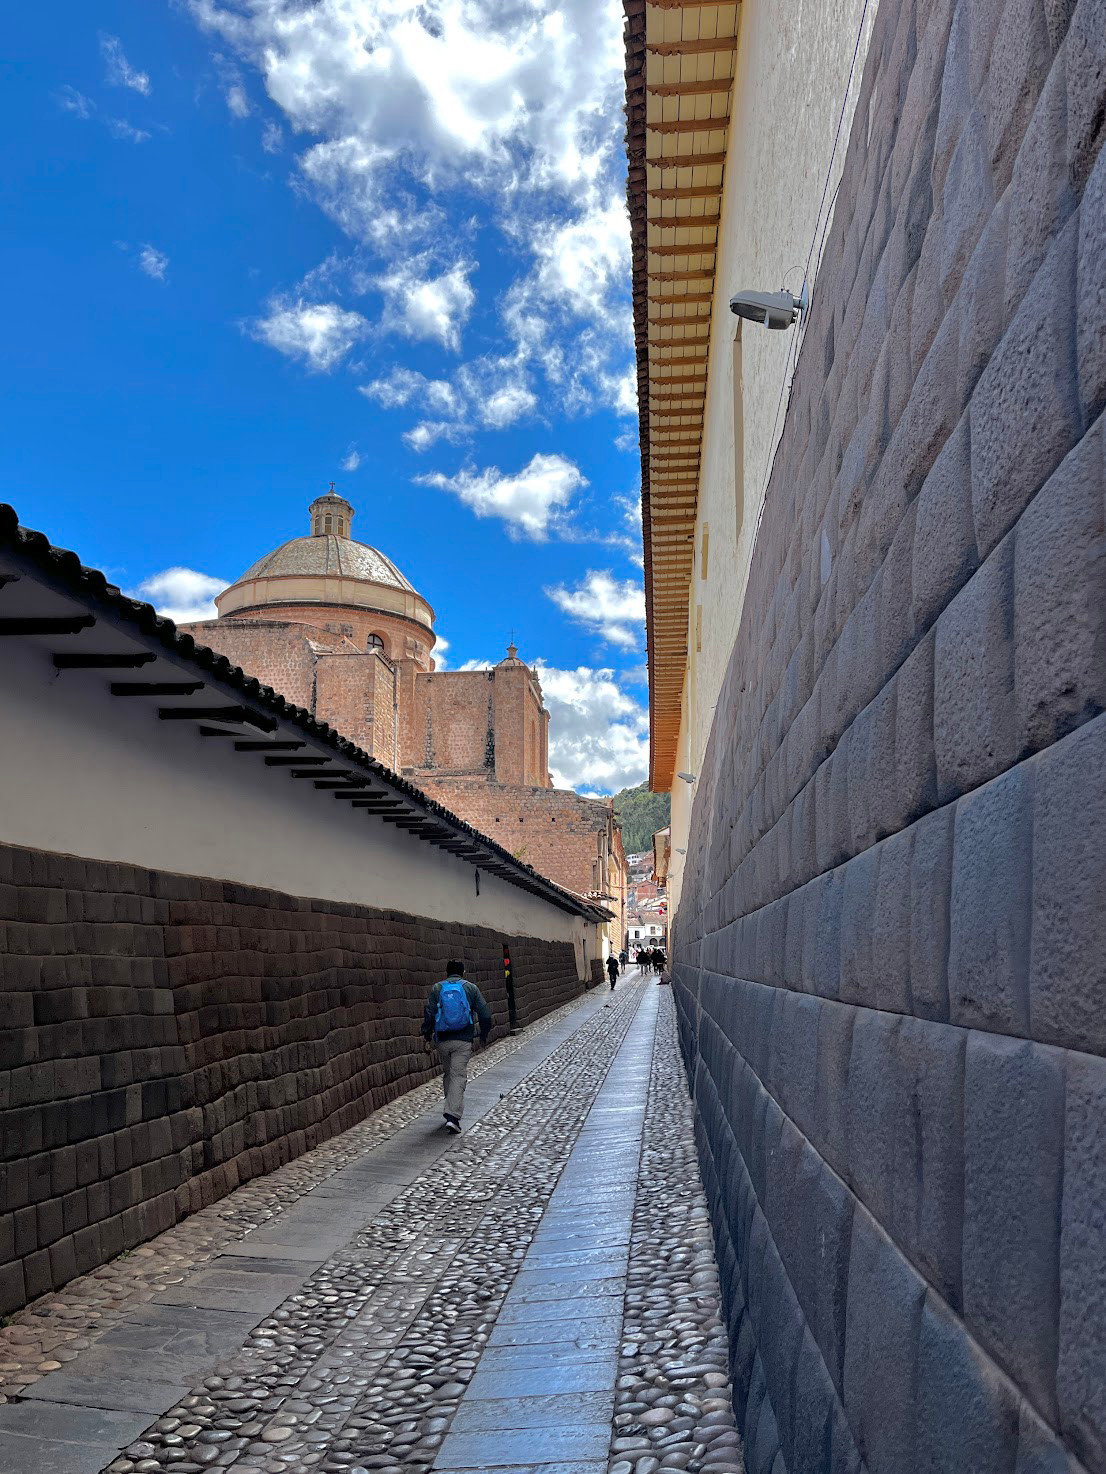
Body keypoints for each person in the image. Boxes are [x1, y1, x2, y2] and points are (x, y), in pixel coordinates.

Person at [422, 960, 492, 1134]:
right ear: (463, 972)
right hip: (463, 1040)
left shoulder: (437, 989)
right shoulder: (470, 988)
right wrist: (483, 1035)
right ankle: (453, 1116)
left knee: (449, 1074)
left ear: (447, 972)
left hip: (443, 1041)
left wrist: (426, 1035)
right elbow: (485, 1014)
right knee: (458, 1075)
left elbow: (429, 1013)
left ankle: (449, 1109)